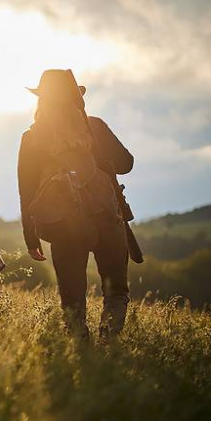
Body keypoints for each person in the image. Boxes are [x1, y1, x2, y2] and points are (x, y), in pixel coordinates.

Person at [18, 69, 134, 341]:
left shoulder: (32, 136)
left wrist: (30, 234)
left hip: (63, 226)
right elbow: (126, 164)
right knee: (116, 291)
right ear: (75, 98)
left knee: (72, 298)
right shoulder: (94, 126)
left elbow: (27, 190)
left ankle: (81, 353)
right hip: (107, 219)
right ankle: (108, 339)